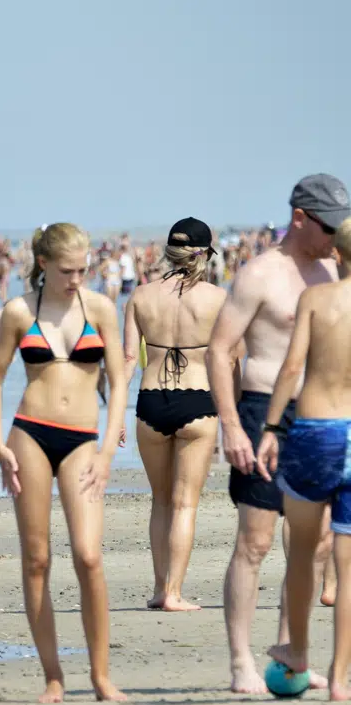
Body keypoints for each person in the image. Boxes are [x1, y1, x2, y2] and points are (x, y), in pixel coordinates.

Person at [207, 174, 348, 693]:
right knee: (256, 540)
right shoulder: (261, 274)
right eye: (328, 226)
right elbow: (220, 350)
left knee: (313, 545)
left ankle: (291, 654)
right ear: (299, 218)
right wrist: (230, 425)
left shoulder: (336, 269)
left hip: (318, 413)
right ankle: (241, 660)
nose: (335, 236)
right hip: (261, 408)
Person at [0, 223, 129, 703]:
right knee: (37, 558)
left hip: (83, 439)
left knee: (89, 555)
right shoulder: (19, 312)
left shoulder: (102, 308)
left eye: (83, 269)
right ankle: (53, 676)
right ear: (43, 264)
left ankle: (101, 675)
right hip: (29, 434)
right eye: (67, 270)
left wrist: (108, 449)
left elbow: (119, 380)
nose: (76, 278)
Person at [256, 218, 351, 699]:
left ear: (338, 254)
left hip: (316, 429)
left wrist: (271, 427)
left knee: (301, 553)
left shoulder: (317, 299)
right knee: (349, 563)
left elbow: (292, 367)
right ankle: (339, 679)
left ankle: (297, 651)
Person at [121, 218, 227, 612]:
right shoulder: (218, 298)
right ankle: (174, 593)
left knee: (161, 501)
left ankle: (158, 587)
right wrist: (233, 419)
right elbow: (227, 359)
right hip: (198, 402)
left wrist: (115, 417)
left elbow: (129, 359)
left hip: (150, 401)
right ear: (205, 255)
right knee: (185, 505)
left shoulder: (141, 296)